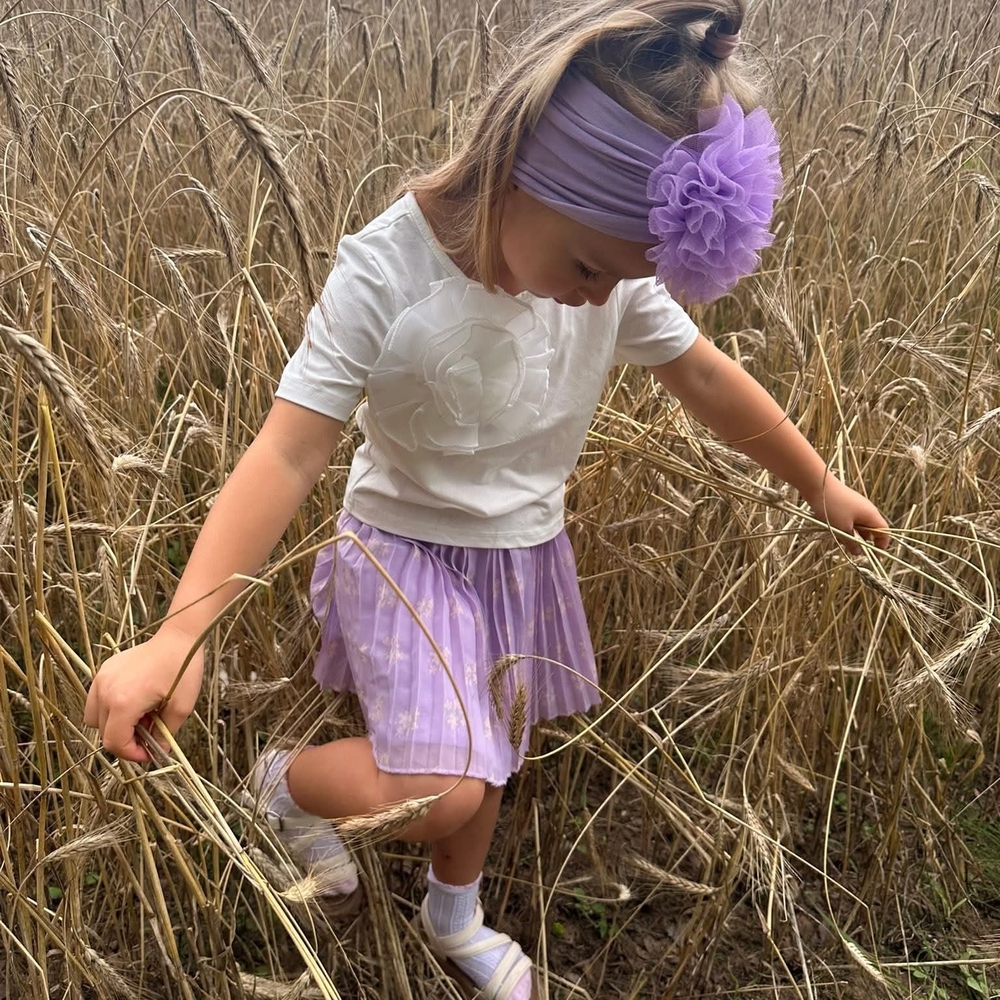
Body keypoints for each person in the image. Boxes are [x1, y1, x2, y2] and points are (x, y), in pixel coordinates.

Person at [84, 2, 891, 997]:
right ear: (524, 171)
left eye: (625, 278)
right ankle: (282, 785)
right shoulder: (389, 269)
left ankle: (453, 911)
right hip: (401, 552)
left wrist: (818, 484)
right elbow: (290, 449)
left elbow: (703, 375)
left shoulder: (608, 270)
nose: (601, 298)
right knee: (446, 783)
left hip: (524, 553)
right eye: (590, 268)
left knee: (492, 757)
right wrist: (180, 634)